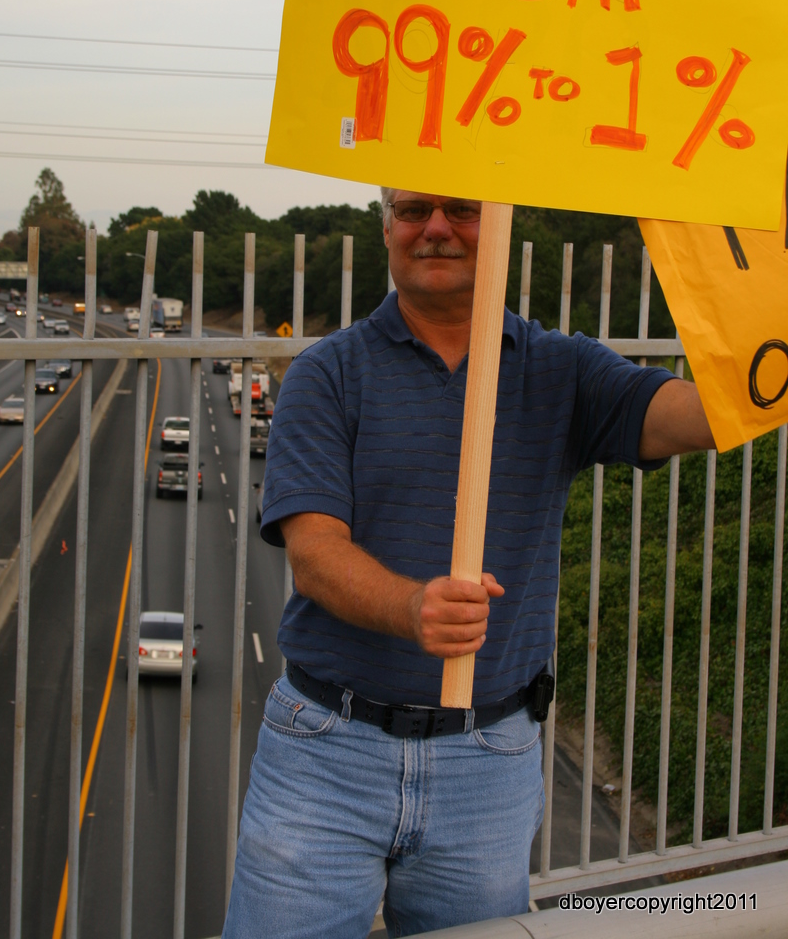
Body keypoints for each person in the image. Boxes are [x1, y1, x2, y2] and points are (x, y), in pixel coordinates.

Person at [222, 189, 714, 939]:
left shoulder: (561, 369)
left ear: (503, 225)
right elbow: (314, 555)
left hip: (488, 760)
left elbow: (699, 416)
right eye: (414, 210)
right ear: (386, 226)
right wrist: (412, 607)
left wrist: (751, 326)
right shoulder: (328, 373)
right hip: (326, 751)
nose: (437, 229)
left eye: (462, 209)